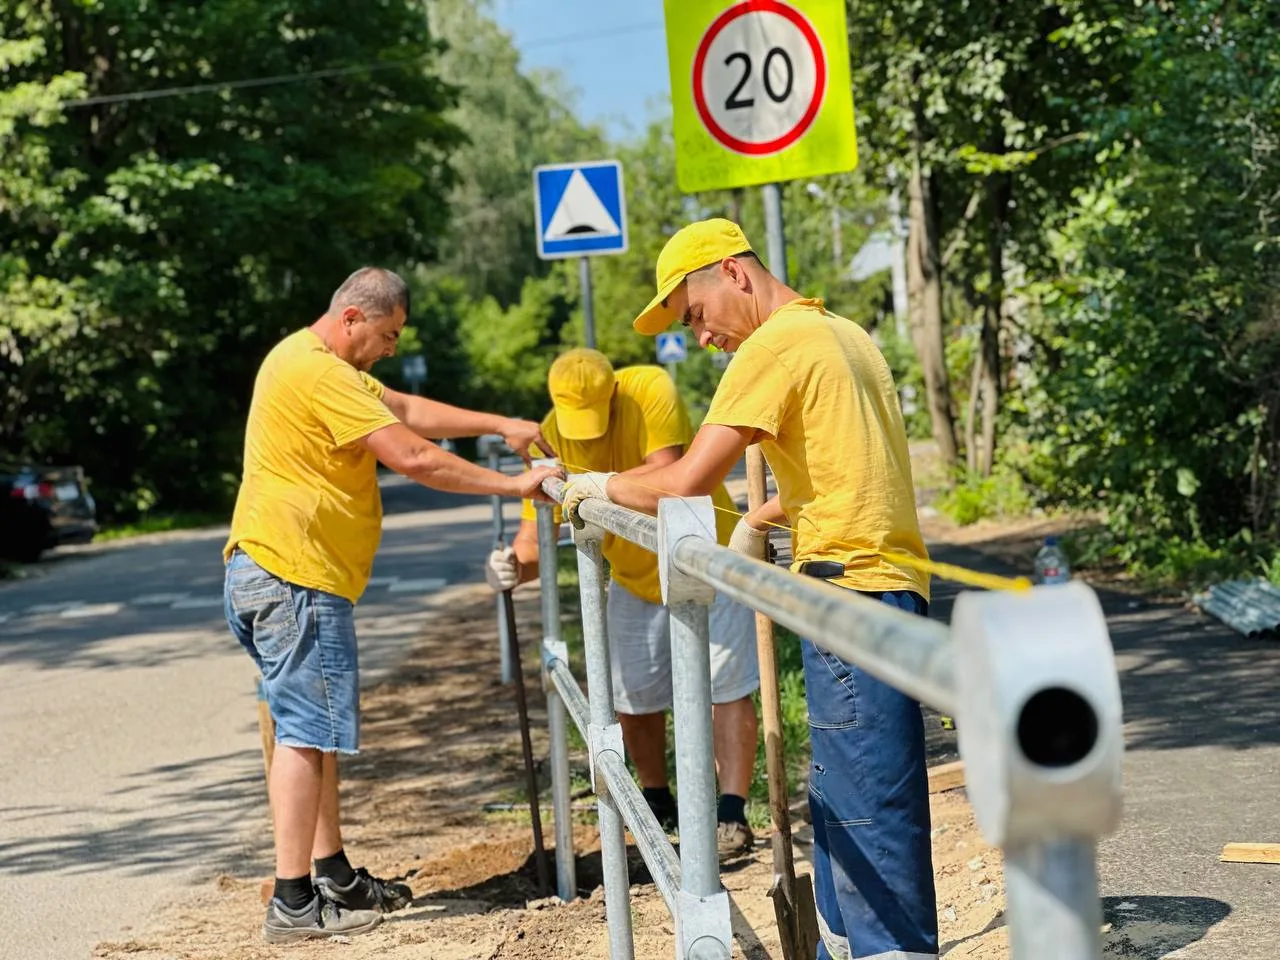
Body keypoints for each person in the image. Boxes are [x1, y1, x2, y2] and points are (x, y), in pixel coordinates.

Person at [562, 220, 939, 960]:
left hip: (851, 599)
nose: (699, 338)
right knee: (843, 816)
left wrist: (597, 484)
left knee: (871, 825)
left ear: (733, 273)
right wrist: (763, 516)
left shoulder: (774, 346)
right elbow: (847, 470)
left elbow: (683, 482)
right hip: (878, 588)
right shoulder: (842, 333)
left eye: (694, 314)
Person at [223, 266, 560, 944]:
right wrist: (513, 482)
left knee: (309, 732)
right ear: (352, 317)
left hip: (278, 571)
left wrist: (503, 424)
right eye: (386, 335)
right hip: (295, 576)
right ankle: (292, 901)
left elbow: (404, 410)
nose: (389, 349)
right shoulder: (318, 371)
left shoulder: (315, 363)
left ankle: (332, 873)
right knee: (303, 734)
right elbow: (413, 455)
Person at [485, 348, 761, 855]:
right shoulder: (550, 432)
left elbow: (670, 472)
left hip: (706, 554)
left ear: (612, 392)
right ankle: (657, 800)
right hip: (634, 577)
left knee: (726, 686)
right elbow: (534, 534)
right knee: (632, 695)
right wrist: (513, 568)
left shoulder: (650, 389)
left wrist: (597, 485)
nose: (587, 437)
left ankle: (731, 813)